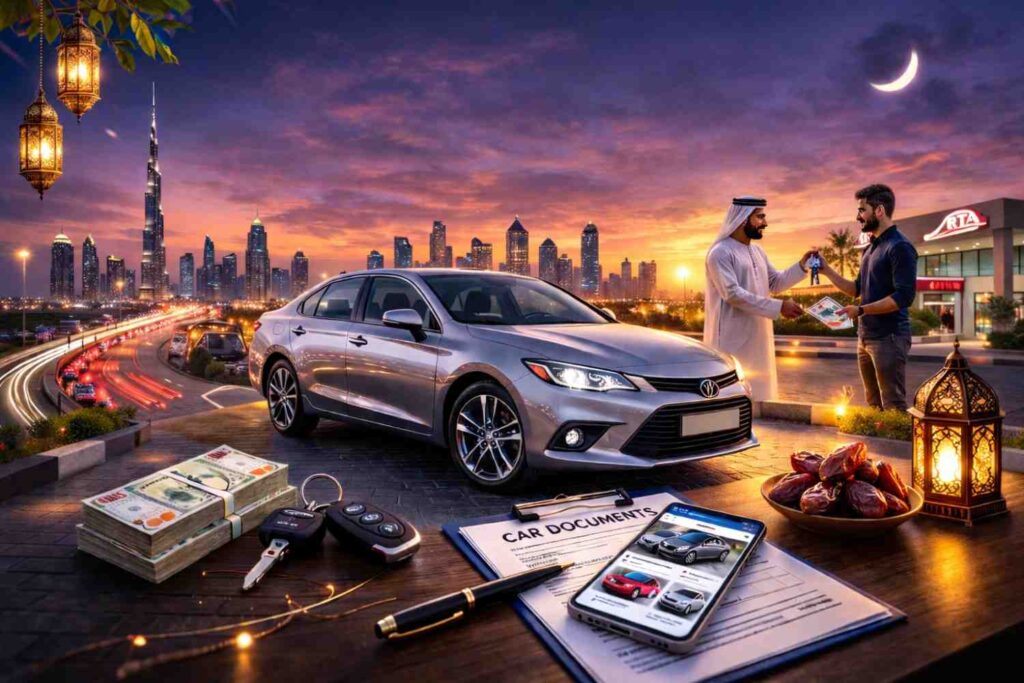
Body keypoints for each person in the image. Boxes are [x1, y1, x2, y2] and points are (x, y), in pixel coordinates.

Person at [815, 184, 917, 411]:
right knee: (873, 404)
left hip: (889, 337)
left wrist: (861, 310)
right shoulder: (870, 249)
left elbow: (904, 296)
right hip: (865, 337)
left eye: (862, 210)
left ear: (879, 210)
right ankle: (875, 447)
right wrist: (826, 270)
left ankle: (898, 447)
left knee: (893, 405)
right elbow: (855, 289)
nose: (858, 216)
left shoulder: (899, 246)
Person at [704, 196, 814, 401]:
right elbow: (732, 293)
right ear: (743, 218)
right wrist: (779, 307)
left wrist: (802, 265)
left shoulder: (757, 252)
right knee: (732, 396)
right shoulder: (720, 253)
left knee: (760, 395)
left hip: (759, 336)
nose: (765, 223)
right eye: (760, 217)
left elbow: (775, 283)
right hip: (732, 338)